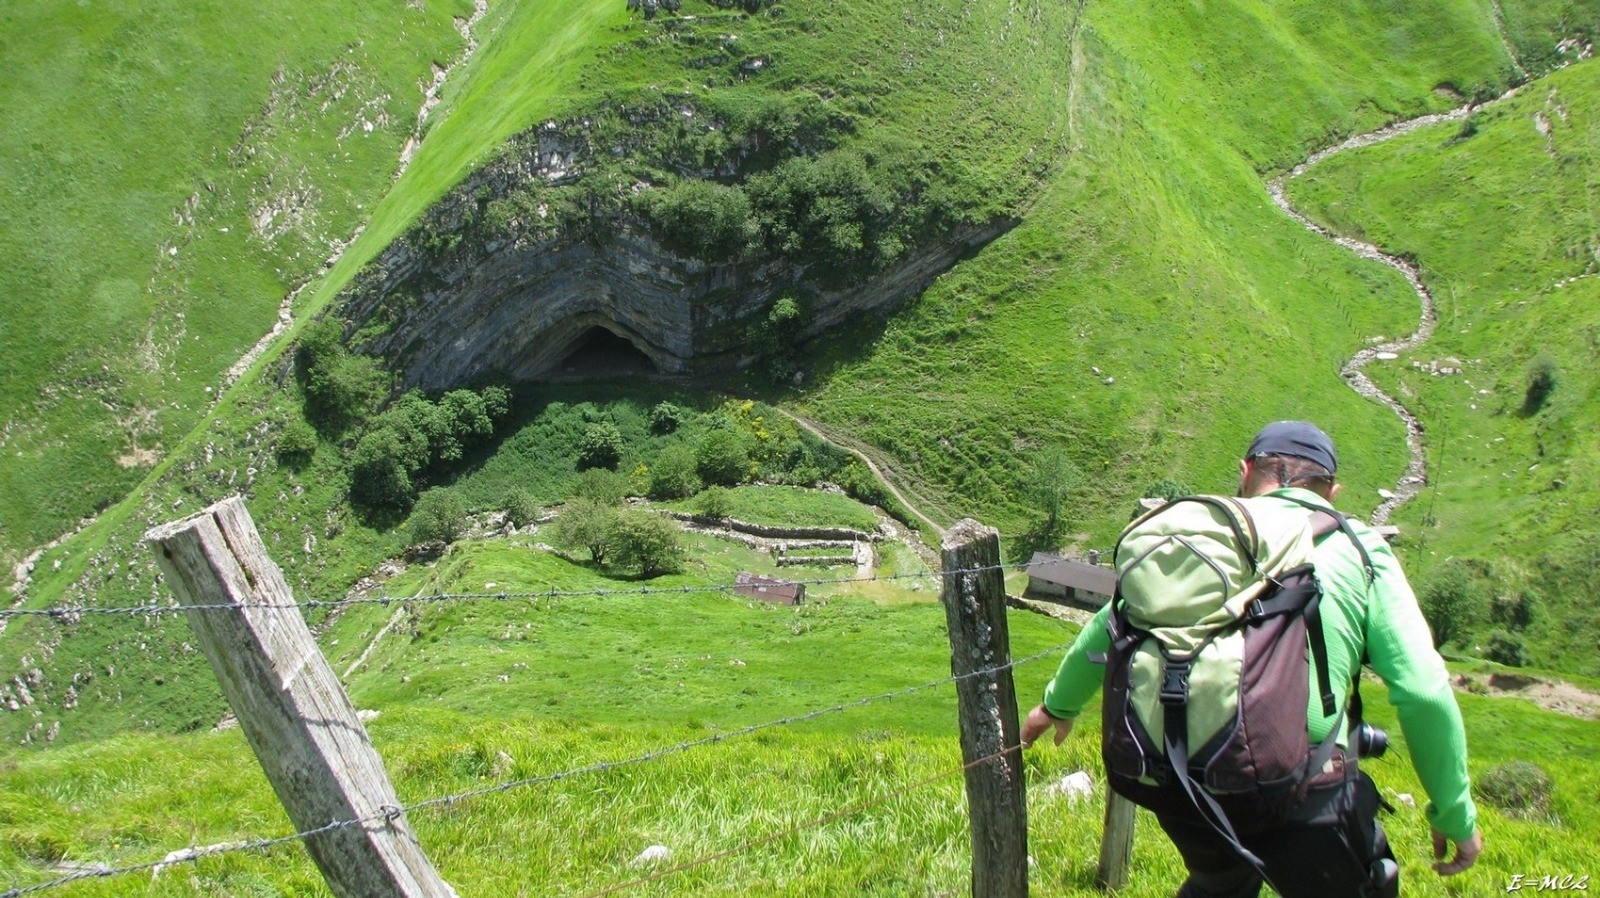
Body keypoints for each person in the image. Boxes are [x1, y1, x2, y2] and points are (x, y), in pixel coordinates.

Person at [1020, 420, 1482, 898]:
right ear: (1332, 491)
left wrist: (1056, 706)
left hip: (1181, 778)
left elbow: (1111, 624)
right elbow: (1424, 692)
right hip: (1301, 788)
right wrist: (1454, 813)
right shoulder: (1357, 547)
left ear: (1245, 472)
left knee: (1220, 882)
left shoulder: (1202, 539)